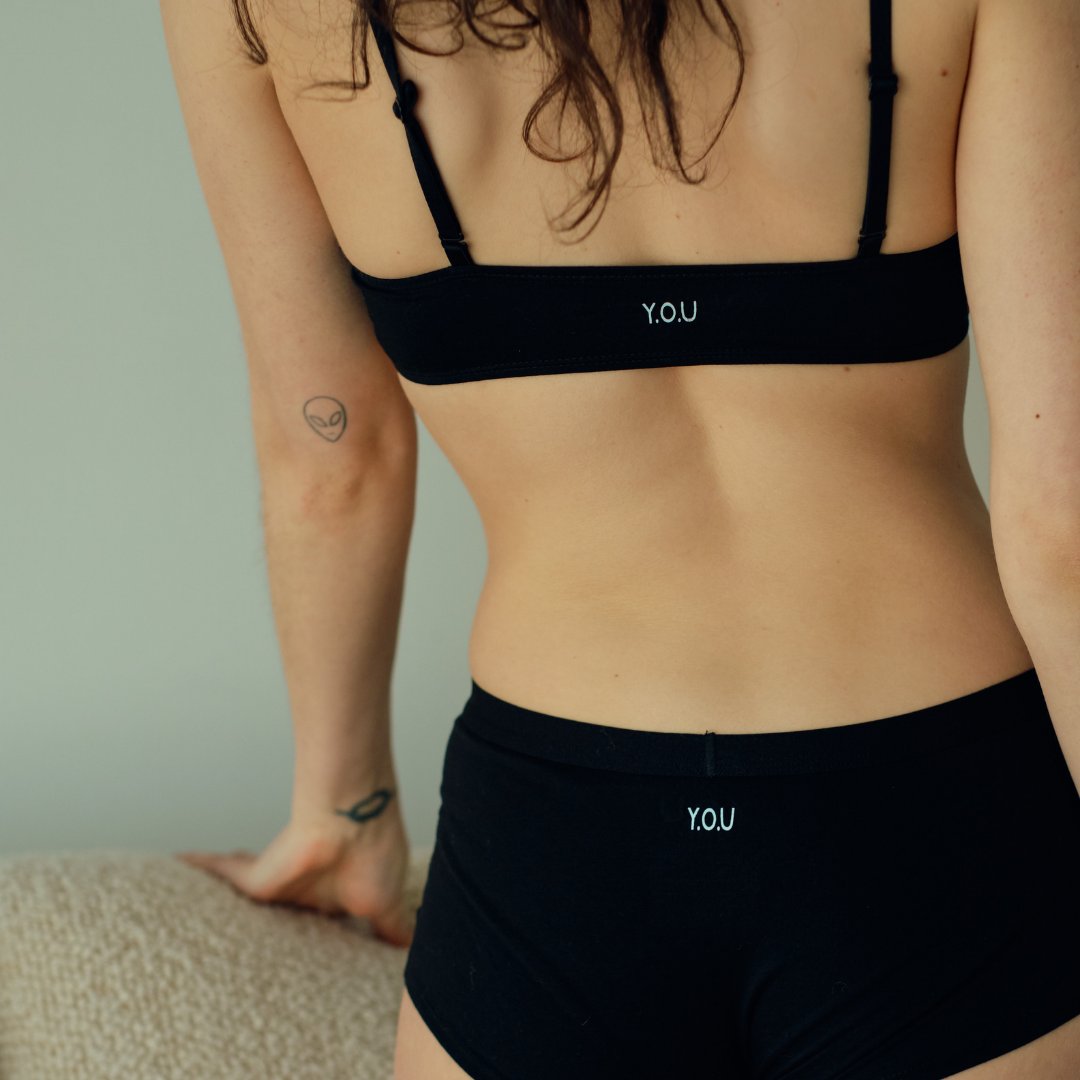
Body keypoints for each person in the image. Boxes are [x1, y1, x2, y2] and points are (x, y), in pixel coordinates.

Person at [161, 0, 1080, 1075]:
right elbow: (1060, 516)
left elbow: (337, 459)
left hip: (554, 847)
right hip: (940, 813)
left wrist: (345, 803)